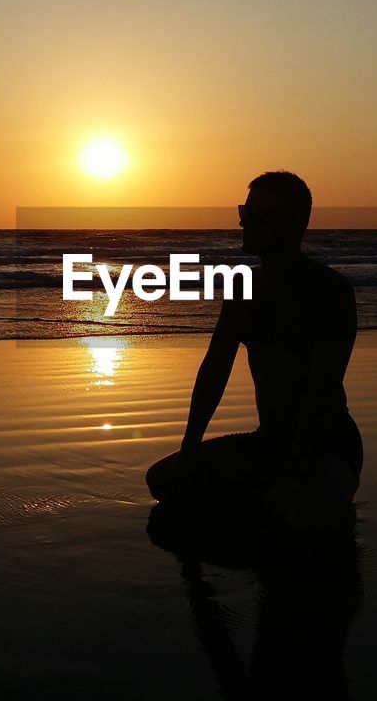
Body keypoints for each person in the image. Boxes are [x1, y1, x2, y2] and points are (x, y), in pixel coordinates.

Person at [145, 171, 364, 535]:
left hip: (328, 446)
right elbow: (215, 369)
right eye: (245, 213)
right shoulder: (242, 289)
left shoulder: (329, 292)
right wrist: (190, 446)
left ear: (295, 223)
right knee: (164, 481)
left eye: (260, 216)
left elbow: (322, 391)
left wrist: (294, 476)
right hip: (268, 441)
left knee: (298, 525)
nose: (245, 223)